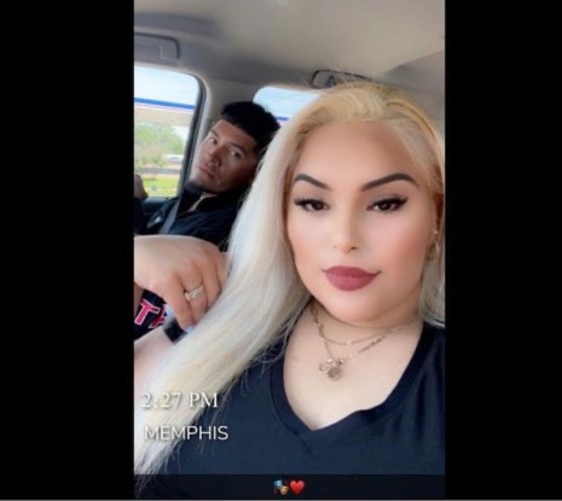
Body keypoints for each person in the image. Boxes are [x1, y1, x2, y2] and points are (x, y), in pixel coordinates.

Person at [134, 82, 445, 495]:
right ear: (282, 215)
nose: (344, 239)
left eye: (385, 203)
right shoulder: (221, 318)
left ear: (436, 214)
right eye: (313, 203)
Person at [133, 101, 280, 339]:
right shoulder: (186, 199)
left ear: (256, 172)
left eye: (234, 153)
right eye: (213, 140)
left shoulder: (226, 230)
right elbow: (152, 245)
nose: (213, 155)